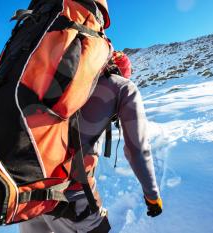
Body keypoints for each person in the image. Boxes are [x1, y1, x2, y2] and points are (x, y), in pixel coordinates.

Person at [19, 51, 162, 233]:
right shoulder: (122, 86)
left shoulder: (62, 82)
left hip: (26, 191)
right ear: (122, 72)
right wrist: (152, 195)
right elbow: (138, 150)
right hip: (72, 196)